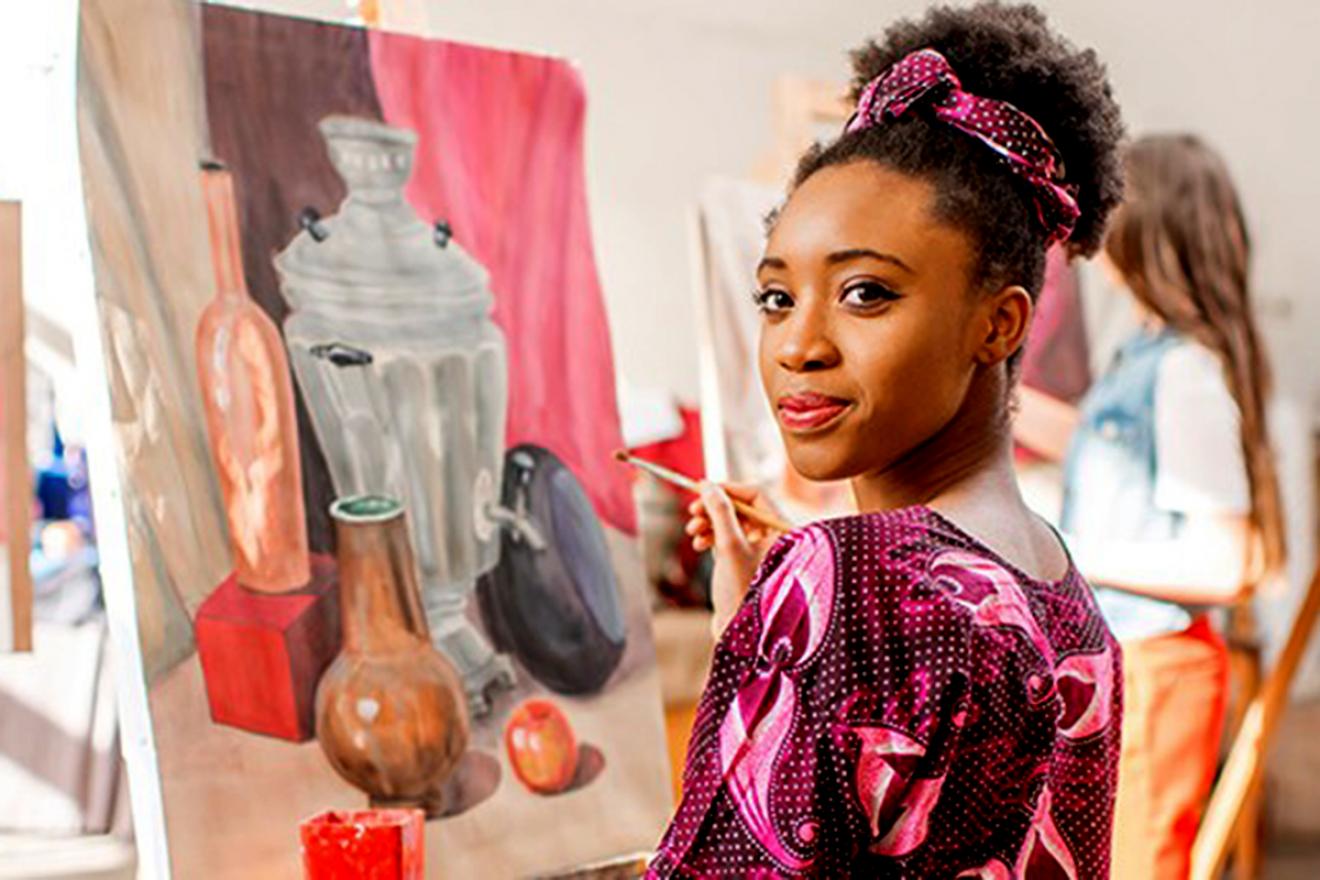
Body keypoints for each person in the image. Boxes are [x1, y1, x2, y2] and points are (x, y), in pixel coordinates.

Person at [647, 3, 1126, 876]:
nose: (799, 344)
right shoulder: (1063, 595)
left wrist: (788, 628)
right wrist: (753, 640)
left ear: (999, 324)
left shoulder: (851, 581)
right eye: (776, 297)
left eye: (866, 293)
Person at [1015, 134, 1286, 879]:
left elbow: (1226, 561)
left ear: (1143, 228)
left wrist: (1067, 548)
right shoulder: (1147, 357)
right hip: (1133, 661)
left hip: (1161, 670)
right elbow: (1106, 446)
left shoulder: (1187, 373)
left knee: (1135, 866)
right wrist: (994, 399)